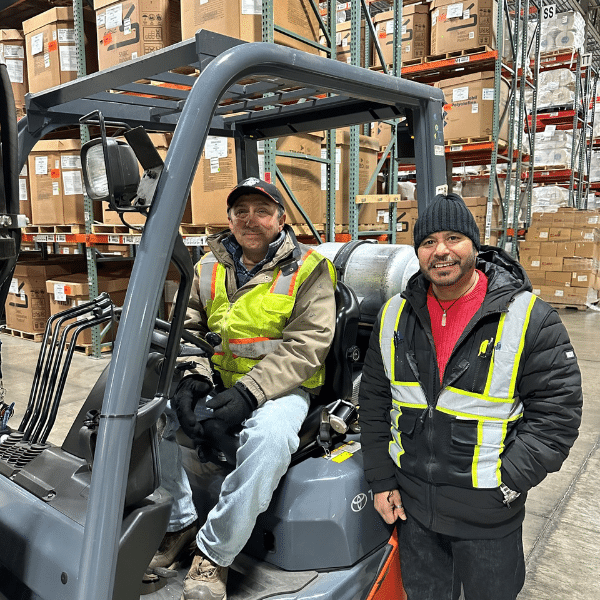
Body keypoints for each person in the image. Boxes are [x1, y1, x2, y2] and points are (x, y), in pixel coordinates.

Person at [358, 193, 583, 600]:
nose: (440, 251)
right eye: (429, 242)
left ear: (475, 246)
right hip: (415, 511)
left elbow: (558, 415)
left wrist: (508, 482)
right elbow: (374, 404)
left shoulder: (529, 317)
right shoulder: (393, 315)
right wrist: (381, 480)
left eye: (453, 238)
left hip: (488, 516)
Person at [153, 177, 336, 600]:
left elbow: (307, 346)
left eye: (262, 211)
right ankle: (180, 522)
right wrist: (192, 376)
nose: (250, 220)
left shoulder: (309, 269)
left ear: (281, 220)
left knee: (270, 440)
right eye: (241, 212)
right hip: (218, 378)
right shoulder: (206, 266)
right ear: (230, 219)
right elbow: (187, 326)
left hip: (283, 385)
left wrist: (250, 393)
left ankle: (214, 552)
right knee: (151, 411)